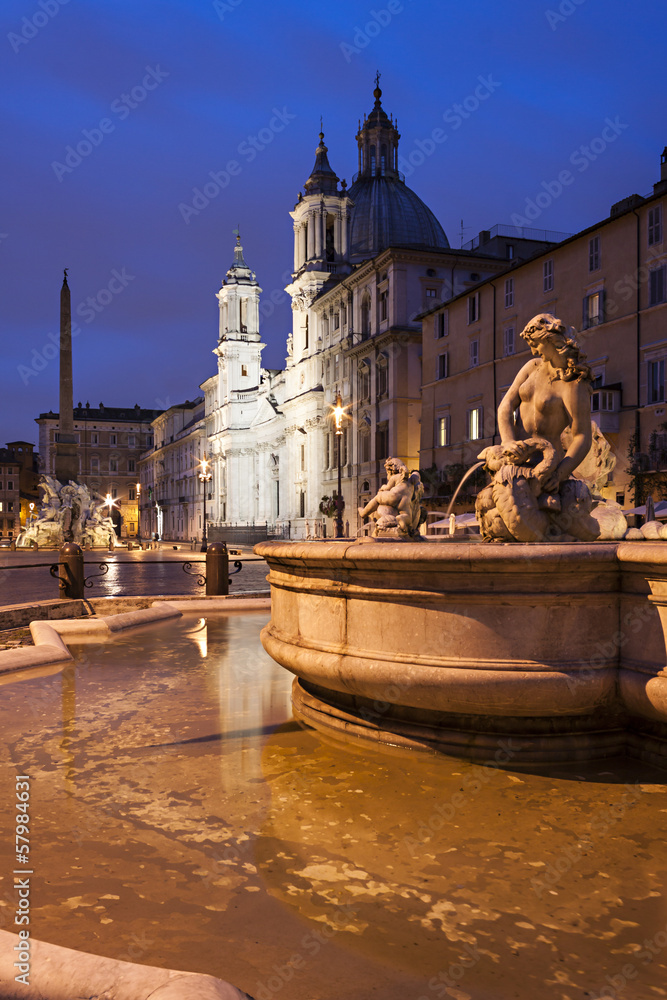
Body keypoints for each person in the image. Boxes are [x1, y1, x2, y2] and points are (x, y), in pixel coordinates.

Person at [497, 313, 593, 493]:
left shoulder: (573, 384)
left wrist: (559, 475)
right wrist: (508, 440)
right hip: (515, 460)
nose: (534, 351)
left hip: (547, 466)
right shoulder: (531, 367)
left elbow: (582, 437)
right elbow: (506, 406)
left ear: (550, 340)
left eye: (536, 344)